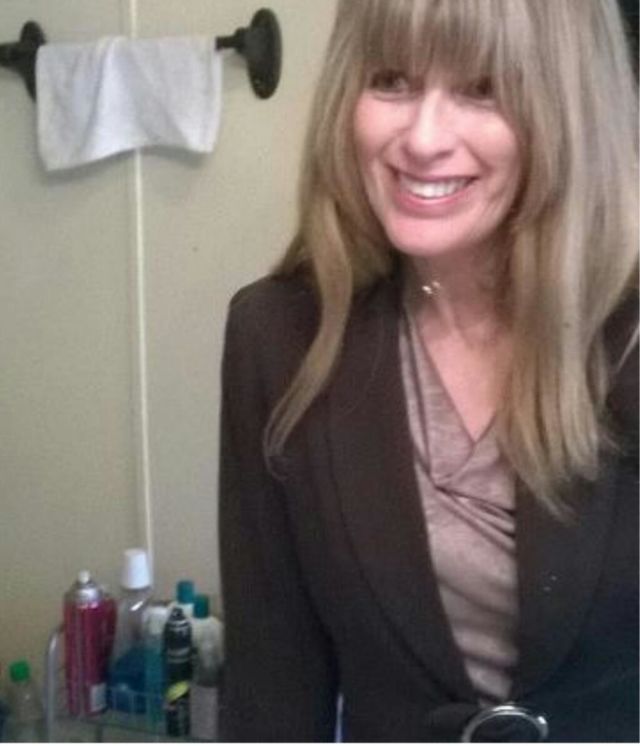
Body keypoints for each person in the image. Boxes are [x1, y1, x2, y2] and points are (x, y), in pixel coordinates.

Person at [218, 0, 639, 741]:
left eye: (483, 89)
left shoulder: (627, 333)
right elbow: (272, 685)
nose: (422, 139)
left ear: (567, 109)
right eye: (392, 80)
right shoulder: (279, 337)